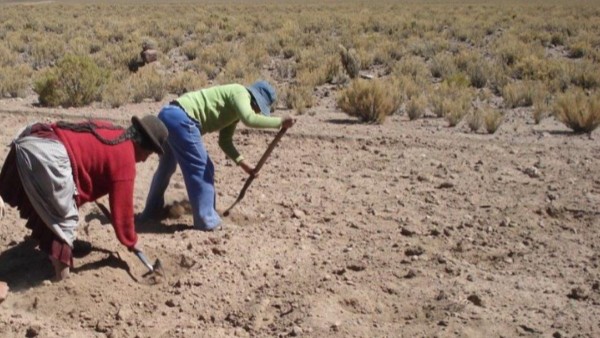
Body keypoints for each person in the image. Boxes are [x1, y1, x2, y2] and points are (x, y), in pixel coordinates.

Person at [0, 115, 168, 281]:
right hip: (47, 158)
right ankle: (62, 280)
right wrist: (132, 241)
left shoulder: (115, 131)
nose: (146, 160)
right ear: (144, 147)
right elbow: (123, 212)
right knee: (63, 221)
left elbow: (88, 153)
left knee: (54, 206)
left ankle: (55, 254)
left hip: (35, 139)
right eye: (150, 154)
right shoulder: (126, 160)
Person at [139, 80, 296, 230]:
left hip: (168, 114)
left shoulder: (233, 111)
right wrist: (280, 122)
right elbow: (250, 119)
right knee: (203, 167)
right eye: (257, 108)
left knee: (167, 166)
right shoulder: (240, 92)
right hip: (182, 118)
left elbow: (225, 141)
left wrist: (243, 164)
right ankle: (207, 220)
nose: (256, 111)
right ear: (254, 100)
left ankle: (152, 211)